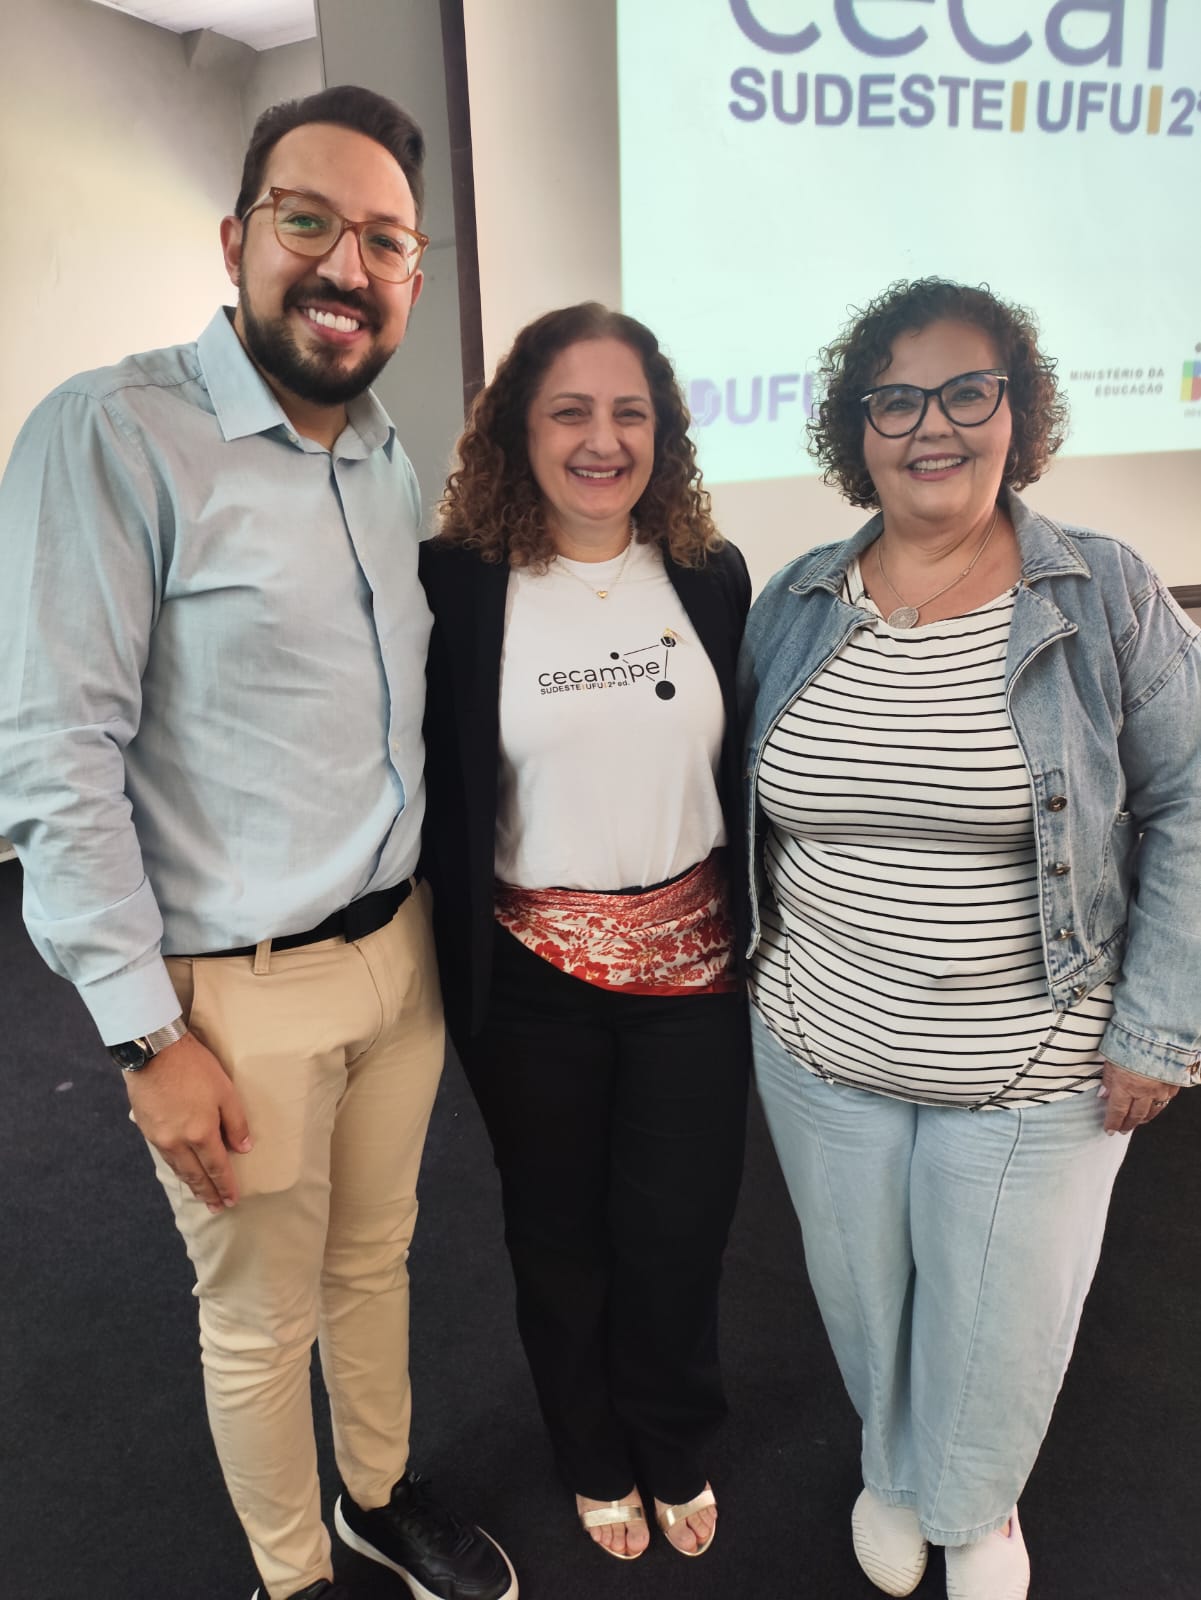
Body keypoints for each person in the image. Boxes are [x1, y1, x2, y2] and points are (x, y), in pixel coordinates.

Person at [0, 85, 516, 1600]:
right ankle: (292, 1579)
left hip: (396, 958)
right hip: (233, 998)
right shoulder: (115, 432)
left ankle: (376, 1497)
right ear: (236, 239)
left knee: (375, 1260)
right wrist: (145, 1037)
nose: (347, 267)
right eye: (309, 222)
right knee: (257, 1318)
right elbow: (55, 759)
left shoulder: (385, 457)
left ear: (413, 274)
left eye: (386, 241)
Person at [740, 278, 1200, 1600]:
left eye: (964, 391)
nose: (929, 425)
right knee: (864, 1302)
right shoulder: (796, 600)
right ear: (856, 428)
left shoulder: (1102, 592)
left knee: (997, 1323)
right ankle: (895, 1472)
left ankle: (976, 1507)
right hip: (818, 1047)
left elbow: (1188, 803)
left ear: (1017, 411)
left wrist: (1159, 1026)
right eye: (894, 399)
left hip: (1033, 1062)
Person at [419, 303, 751, 1561]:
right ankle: (590, 1449)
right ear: (518, 428)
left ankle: (670, 1433)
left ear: (662, 434)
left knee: (678, 1228)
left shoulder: (710, 575)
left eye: (629, 413)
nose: (602, 440)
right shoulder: (456, 583)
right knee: (557, 1232)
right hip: (530, 979)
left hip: (695, 969)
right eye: (570, 412)